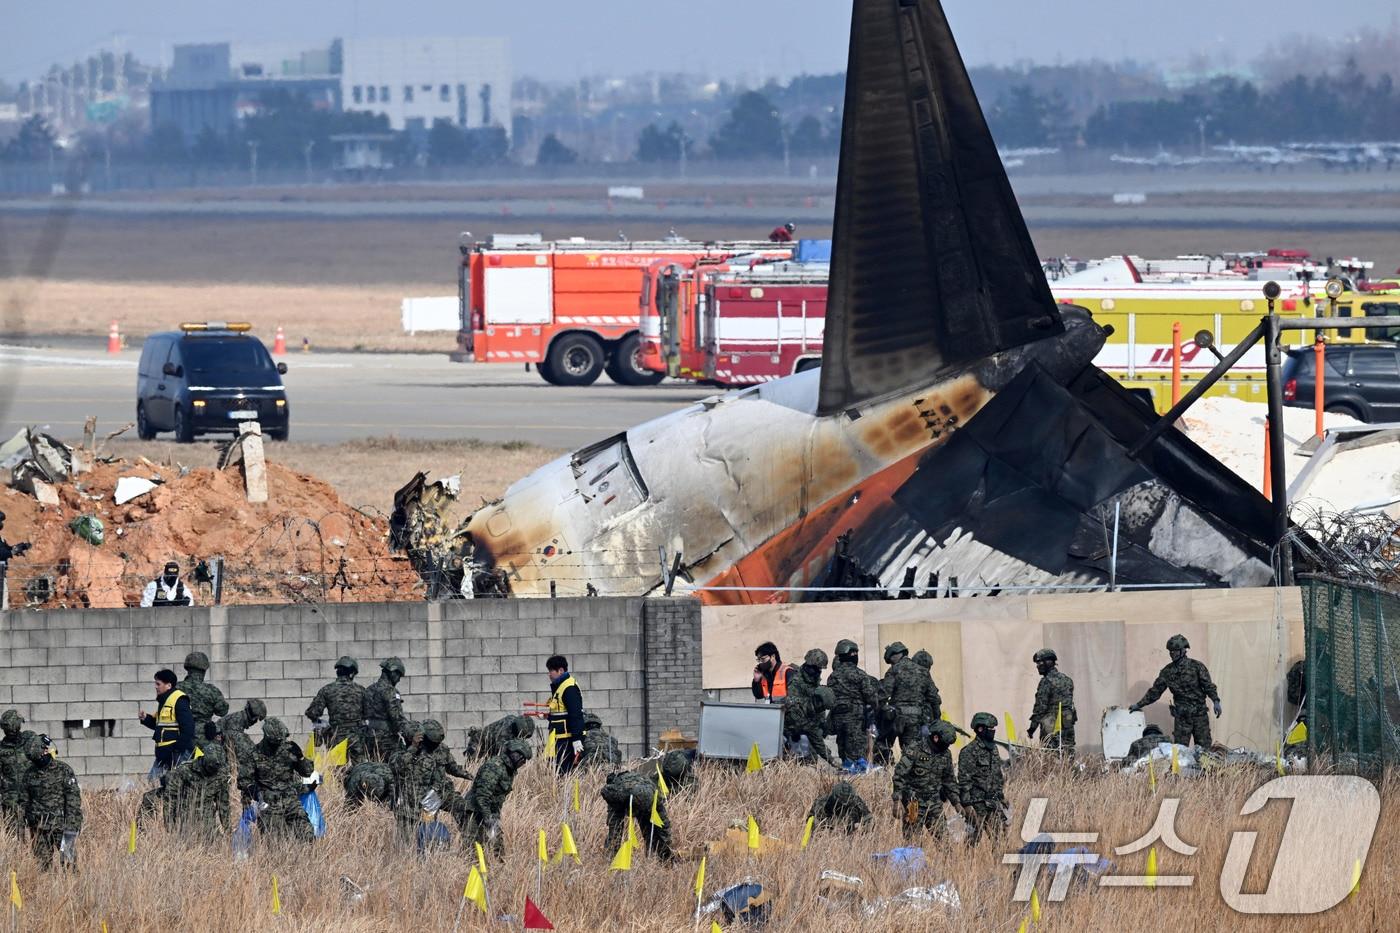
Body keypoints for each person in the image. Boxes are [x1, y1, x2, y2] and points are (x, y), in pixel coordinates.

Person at [1128, 635, 1222, 749]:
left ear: (1183, 650)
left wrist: (1216, 701)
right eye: (1170, 651)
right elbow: (1155, 692)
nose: (1172, 654)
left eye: (1175, 651)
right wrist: (1139, 704)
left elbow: (1208, 686)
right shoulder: (1167, 672)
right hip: (1182, 718)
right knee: (1180, 751)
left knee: (1204, 750)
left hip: (1199, 716)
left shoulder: (1197, 666)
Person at [601, 751, 693, 861]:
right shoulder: (617, 794)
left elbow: (663, 825)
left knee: (652, 833)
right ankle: (610, 860)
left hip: (643, 796)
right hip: (621, 799)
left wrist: (667, 847)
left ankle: (663, 859)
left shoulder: (654, 797)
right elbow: (605, 791)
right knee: (615, 834)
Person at [392, 719, 464, 849]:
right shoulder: (399, 754)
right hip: (406, 811)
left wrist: (432, 798)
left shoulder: (429, 758)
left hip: (426, 808)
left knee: (427, 842)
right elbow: (398, 767)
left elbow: (439, 779)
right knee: (405, 847)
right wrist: (413, 748)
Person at [243, 717, 315, 842]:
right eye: (274, 742)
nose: (278, 744)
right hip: (269, 803)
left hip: (290, 800)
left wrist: (301, 758)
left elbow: (307, 772)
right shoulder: (254, 753)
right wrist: (251, 789)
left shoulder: (289, 750)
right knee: (277, 841)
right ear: (266, 737)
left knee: (307, 834)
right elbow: (243, 779)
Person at [460, 739, 531, 859]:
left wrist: (494, 818)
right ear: (515, 754)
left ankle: (499, 869)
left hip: (491, 812)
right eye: (522, 758)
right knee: (473, 850)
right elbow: (482, 796)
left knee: (497, 845)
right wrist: (488, 818)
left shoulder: (509, 770)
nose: (523, 762)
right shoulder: (494, 767)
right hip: (474, 811)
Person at [138, 668, 195, 816]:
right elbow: (160, 725)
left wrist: (176, 751)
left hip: (176, 755)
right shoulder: (164, 702)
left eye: (158, 684)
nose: (155, 687)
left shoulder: (179, 700)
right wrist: (146, 719)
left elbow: (188, 730)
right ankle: (156, 816)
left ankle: (169, 815)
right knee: (152, 784)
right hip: (165, 756)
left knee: (170, 788)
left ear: (168, 685)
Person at [21, 735, 81, 870]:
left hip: (62, 827)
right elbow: (24, 801)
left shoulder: (63, 770)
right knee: (42, 867)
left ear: (46, 749)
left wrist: (72, 825)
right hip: (39, 828)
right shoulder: (29, 774)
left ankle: (70, 889)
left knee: (69, 865)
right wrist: (26, 822)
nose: (40, 758)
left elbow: (73, 799)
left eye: (41, 754)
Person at [893, 721, 959, 841]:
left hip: (934, 804)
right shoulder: (914, 750)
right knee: (912, 843)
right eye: (945, 743)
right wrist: (897, 800)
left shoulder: (945, 754)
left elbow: (949, 780)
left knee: (945, 843)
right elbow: (899, 775)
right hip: (913, 803)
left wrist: (957, 802)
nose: (946, 747)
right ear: (935, 737)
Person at [163, 720, 230, 838]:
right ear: (203, 760)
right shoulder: (185, 770)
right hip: (187, 818)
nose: (212, 772)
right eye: (210, 768)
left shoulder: (220, 775)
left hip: (207, 820)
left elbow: (223, 803)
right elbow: (171, 796)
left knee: (216, 845)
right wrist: (170, 825)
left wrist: (228, 829)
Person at [828, 639, 880, 773]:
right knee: (857, 749)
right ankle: (857, 774)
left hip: (838, 717)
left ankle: (846, 769)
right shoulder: (860, 674)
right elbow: (871, 697)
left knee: (843, 745)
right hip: (855, 717)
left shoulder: (832, 676)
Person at [881, 642, 941, 757]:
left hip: (895, 718)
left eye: (891, 660)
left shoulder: (894, 670)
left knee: (882, 746)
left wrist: (882, 711)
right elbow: (934, 699)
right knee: (911, 753)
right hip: (915, 720)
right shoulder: (923, 672)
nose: (891, 663)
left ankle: (886, 769)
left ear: (896, 655)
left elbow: (883, 695)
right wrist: (937, 720)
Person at [958, 712, 1008, 846]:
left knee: (1001, 838)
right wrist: (967, 805)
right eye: (990, 729)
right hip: (976, 804)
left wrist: (1001, 797)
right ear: (980, 729)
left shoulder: (993, 749)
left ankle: (997, 865)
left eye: (994, 729)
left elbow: (997, 775)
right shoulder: (968, 751)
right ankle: (966, 865)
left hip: (992, 802)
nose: (993, 732)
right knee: (973, 838)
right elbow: (964, 781)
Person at [305, 655, 367, 761]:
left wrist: (322, 724)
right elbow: (369, 713)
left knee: (337, 772)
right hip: (356, 737)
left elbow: (312, 712)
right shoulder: (361, 690)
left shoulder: (327, 690)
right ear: (351, 673)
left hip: (335, 736)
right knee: (359, 769)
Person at [784, 648, 836, 764]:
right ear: (809, 665)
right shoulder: (796, 682)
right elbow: (794, 712)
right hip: (795, 730)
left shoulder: (813, 680)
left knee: (812, 759)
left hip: (810, 726)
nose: (818, 671)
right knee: (807, 759)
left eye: (820, 669)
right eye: (816, 668)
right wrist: (831, 760)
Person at [1026, 649, 1076, 757]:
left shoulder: (1046, 682)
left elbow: (1040, 708)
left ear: (1048, 662)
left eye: (1039, 662)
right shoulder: (1067, 680)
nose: (1037, 666)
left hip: (1051, 726)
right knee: (1067, 755)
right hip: (1067, 724)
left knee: (1050, 757)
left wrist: (1032, 728)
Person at [361, 657, 408, 761]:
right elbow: (397, 717)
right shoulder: (390, 691)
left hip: (369, 736)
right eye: (399, 675)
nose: (399, 679)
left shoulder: (369, 689)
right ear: (393, 673)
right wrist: (410, 733)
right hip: (386, 739)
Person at [546, 655, 586, 775]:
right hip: (560, 739)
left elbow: (576, 714)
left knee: (565, 773)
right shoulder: (559, 687)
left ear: (561, 670)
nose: (549, 674)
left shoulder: (569, 687)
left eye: (551, 671)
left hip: (568, 740)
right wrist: (547, 716)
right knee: (558, 772)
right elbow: (560, 712)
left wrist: (576, 738)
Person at [221, 698, 267, 803]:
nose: (255, 723)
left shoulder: (238, 718)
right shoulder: (236, 722)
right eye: (256, 719)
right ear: (253, 718)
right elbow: (239, 747)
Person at [0, 709, 38, 831]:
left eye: (14, 726)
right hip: (12, 801)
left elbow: (44, 761)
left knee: (39, 833)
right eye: (9, 727)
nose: (12, 730)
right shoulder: (1, 749)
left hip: (34, 797)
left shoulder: (30, 739)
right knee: (14, 836)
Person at [178, 651, 228, 729]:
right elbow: (222, 711)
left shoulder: (175, 688)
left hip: (181, 735)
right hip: (204, 737)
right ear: (204, 670)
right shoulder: (212, 690)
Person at [807, 780, 872, 836]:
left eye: (847, 803)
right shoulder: (821, 803)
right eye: (840, 803)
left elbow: (869, 822)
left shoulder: (857, 802)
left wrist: (858, 827)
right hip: (826, 835)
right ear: (834, 798)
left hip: (851, 835)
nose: (843, 806)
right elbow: (810, 823)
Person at [0, 510, 32, 611]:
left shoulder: (0, 537)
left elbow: (6, 549)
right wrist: (12, 552)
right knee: (3, 603)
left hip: (2, 573)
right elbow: (1, 553)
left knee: (4, 600)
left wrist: (20, 547)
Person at [465, 714, 535, 760]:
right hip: (478, 743)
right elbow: (500, 753)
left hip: (491, 746)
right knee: (473, 766)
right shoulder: (504, 731)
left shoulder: (513, 721)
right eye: (522, 735)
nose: (523, 738)